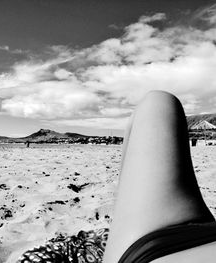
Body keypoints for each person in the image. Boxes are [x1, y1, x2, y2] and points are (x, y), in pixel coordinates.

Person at [17, 91, 216, 263]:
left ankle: (121, 210)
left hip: (161, 248)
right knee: (158, 102)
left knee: (157, 102)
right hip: (174, 240)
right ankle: (121, 213)